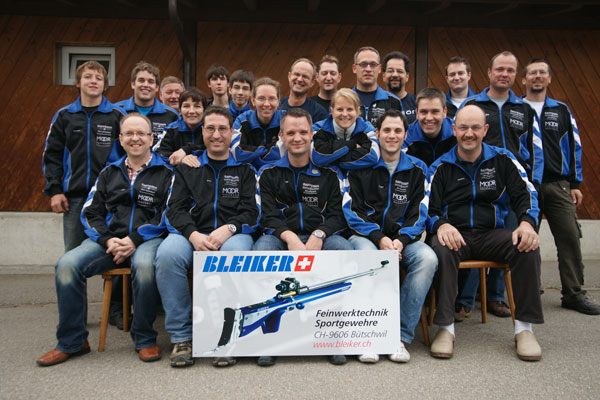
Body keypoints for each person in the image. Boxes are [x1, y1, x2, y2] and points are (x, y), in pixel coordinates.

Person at [36, 113, 173, 366]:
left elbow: (168, 213)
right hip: (109, 241)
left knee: (144, 267)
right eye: (129, 133)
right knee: (66, 265)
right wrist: (108, 240)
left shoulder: (166, 173)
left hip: (147, 240)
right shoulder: (109, 172)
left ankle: (144, 338)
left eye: (141, 133)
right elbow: (90, 213)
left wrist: (134, 239)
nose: (135, 138)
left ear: (151, 138)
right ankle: (72, 341)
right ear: (120, 139)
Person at [428, 105, 544, 362]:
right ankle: (445, 328)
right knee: (441, 249)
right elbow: (428, 208)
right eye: (463, 127)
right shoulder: (441, 166)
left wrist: (526, 223)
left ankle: (524, 329)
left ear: (485, 129)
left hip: (492, 234)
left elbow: (527, 194)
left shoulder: (503, 159)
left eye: (475, 127)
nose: (469, 133)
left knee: (527, 246)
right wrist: (441, 225)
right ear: (454, 129)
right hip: (456, 236)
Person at [155, 106, 260, 368]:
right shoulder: (187, 168)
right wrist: (192, 234)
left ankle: (224, 335)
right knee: (167, 255)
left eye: (222, 129)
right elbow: (174, 210)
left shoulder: (245, 169)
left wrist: (230, 228)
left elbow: (253, 212)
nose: (216, 134)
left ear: (232, 132)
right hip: (190, 232)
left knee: (235, 255)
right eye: (210, 128)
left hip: (233, 234)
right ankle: (182, 338)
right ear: (202, 131)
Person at [253, 108, 353, 366]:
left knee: (345, 251)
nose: (297, 138)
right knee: (262, 251)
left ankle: (335, 336)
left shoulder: (330, 174)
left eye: (302, 132)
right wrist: (289, 237)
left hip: (321, 235)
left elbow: (338, 215)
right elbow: (266, 215)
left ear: (311, 135)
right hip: (280, 236)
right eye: (290, 133)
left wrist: (319, 234)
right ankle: (268, 340)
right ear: (281, 136)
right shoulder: (268, 173)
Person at [343, 109, 437, 364]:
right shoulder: (361, 165)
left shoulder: (418, 169)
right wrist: (379, 238)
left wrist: (401, 241)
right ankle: (368, 336)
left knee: (427, 259)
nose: (392, 135)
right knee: (369, 257)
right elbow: (350, 210)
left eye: (398, 130)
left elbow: (421, 212)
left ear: (406, 135)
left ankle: (399, 336)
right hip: (365, 237)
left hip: (403, 240)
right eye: (387, 130)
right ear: (377, 133)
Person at [460, 51, 543, 319]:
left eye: (509, 70)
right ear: (489, 72)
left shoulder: (524, 109)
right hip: (482, 183)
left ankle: (496, 298)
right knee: (476, 236)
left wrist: (533, 183)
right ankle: (466, 299)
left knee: (511, 238)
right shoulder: (473, 104)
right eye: (499, 69)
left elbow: (535, 148)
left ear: (516, 75)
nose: (504, 74)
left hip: (513, 185)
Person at [522, 58, 600, 315]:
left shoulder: (561, 110)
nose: (537, 76)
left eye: (542, 72)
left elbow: (574, 146)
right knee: (525, 240)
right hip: (526, 186)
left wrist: (575, 183)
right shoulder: (517, 109)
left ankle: (574, 294)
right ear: (523, 79)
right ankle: (530, 290)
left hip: (558, 184)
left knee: (569, 237)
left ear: (549, 78)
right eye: (532, 73)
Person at [43, 61, 125, 252]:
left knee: (114, 253)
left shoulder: (117, 116)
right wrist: (55, 190)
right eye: (88, 77)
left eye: (99, 78)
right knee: (72, 255)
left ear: (105, 85)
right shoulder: (64, 116)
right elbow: (52, 155)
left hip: (111, 197)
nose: (93, 81)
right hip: (75, 198)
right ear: (78, 83)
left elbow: (129, 154)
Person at [311, 88, 379, 174]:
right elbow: (316, 157)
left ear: (357, 111)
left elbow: (373, 157)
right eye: (340, 109)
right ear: (332, 111)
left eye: (350, 109)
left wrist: (331, 159)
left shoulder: (367, 129)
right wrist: (351, 145)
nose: (345, 114)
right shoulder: (318, 128)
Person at [115, 61, 179, 145]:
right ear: (133, 84)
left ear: (157, 87)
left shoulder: (171, 115)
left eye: (150, 81)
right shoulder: (117, 111)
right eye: (141, 80)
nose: (145, 85)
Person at [231, 77, 286, 169]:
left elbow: (287, 151)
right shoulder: (242, 120)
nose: (267, 104)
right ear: (253, 101)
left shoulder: (287, 119)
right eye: (261, 98)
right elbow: (237, 152)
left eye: (272, 98)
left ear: (278, 101)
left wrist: (252, 157)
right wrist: (270, 153)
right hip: (248, 173)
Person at [154, 88, 208, 166]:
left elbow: (216, 148)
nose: (191, 111)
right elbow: (158, 154)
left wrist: (187, 150)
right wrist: (180, 159)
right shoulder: (171, 129)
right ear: (180, 110)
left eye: (197, 106)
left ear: (204, 110)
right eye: (186, 106)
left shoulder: (211, 128)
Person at [404, 87, 456, 166]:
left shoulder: (457, 132)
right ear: (417, 113)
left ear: (444, 112)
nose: (429, 118)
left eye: (435, 111)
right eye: (424, 112)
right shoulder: (406, 137)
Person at [352, 46, 403, 127]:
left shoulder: (393, 102)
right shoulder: (344, 100)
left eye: (373, 64)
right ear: (354, 68)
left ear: (379, 68)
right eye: (363, 64)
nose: (368, 69)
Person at [278, 58, 328, 123]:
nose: (299, 79)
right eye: (297, 74)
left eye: (305, 76)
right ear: (289, 76)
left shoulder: (318, 113)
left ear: (312, 82)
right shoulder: (276, 107)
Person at [382, 51, 416, 124]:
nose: (395, 75)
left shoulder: (416, 103)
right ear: (384, 76)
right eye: (390, 71)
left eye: (400, 71)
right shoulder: (375, 104)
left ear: (407, 76)